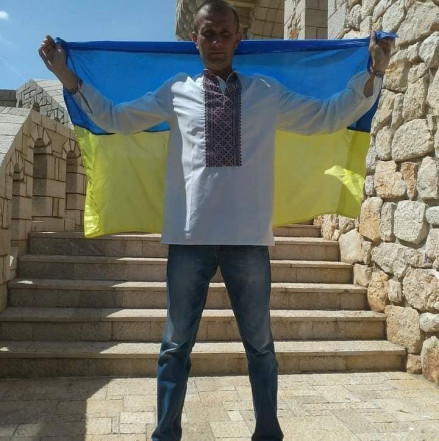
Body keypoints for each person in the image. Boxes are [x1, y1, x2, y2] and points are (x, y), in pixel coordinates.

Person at [39, 1, 392, 440]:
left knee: (260, 346)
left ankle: (268, 433)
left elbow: (327, 116)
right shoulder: (176, 91)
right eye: (209, 33)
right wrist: (66, 76)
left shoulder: (266, 92)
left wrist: (373, 73)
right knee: (174, 347)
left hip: (249, 240)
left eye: (225, 34)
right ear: (195, 39)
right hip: (189, 239)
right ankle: (165, 434)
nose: (217, 42)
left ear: (239, 38)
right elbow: (115, 118)